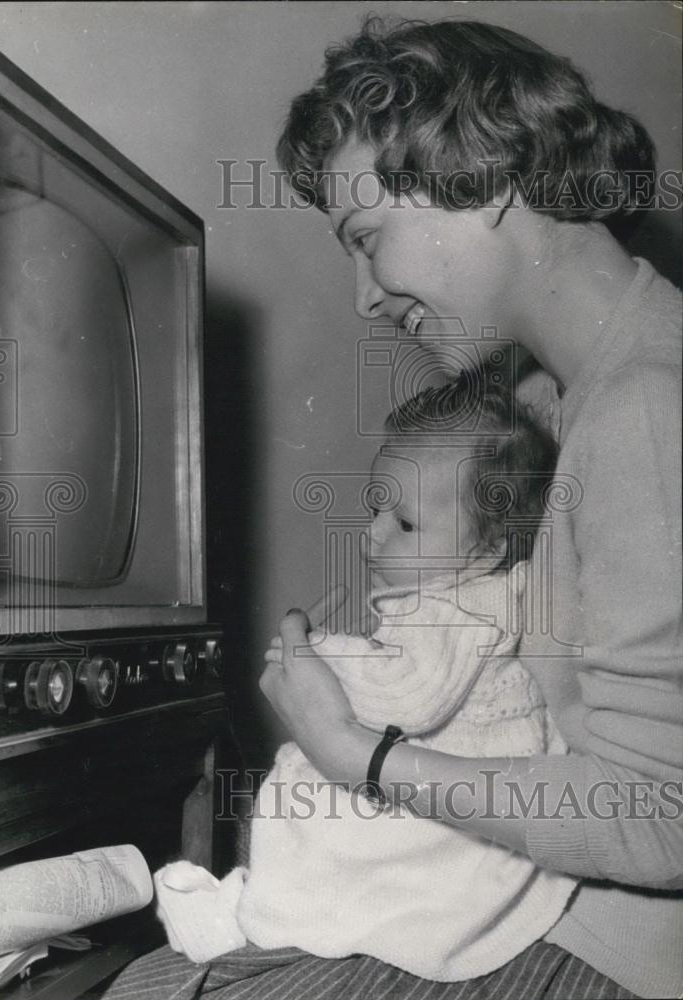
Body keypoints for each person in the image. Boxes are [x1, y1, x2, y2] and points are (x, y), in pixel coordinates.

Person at [103, 16, 681, 1000]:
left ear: (484, 172)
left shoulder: (647, 409)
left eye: (367, 241)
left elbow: (662, 817)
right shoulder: (570, 396)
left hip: (617, 946)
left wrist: (355, 751)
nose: (365, 297)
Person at [235, 378, 578, 982]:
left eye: (406, 524)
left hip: (462, 789)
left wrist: (319, 653)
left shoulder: (453, 610)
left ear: (491, 546)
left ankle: (294, 914)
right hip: (465, 773)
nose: (374, 534)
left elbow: (407, 696)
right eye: (376, 508)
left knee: (299, 787)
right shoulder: (468, 594)